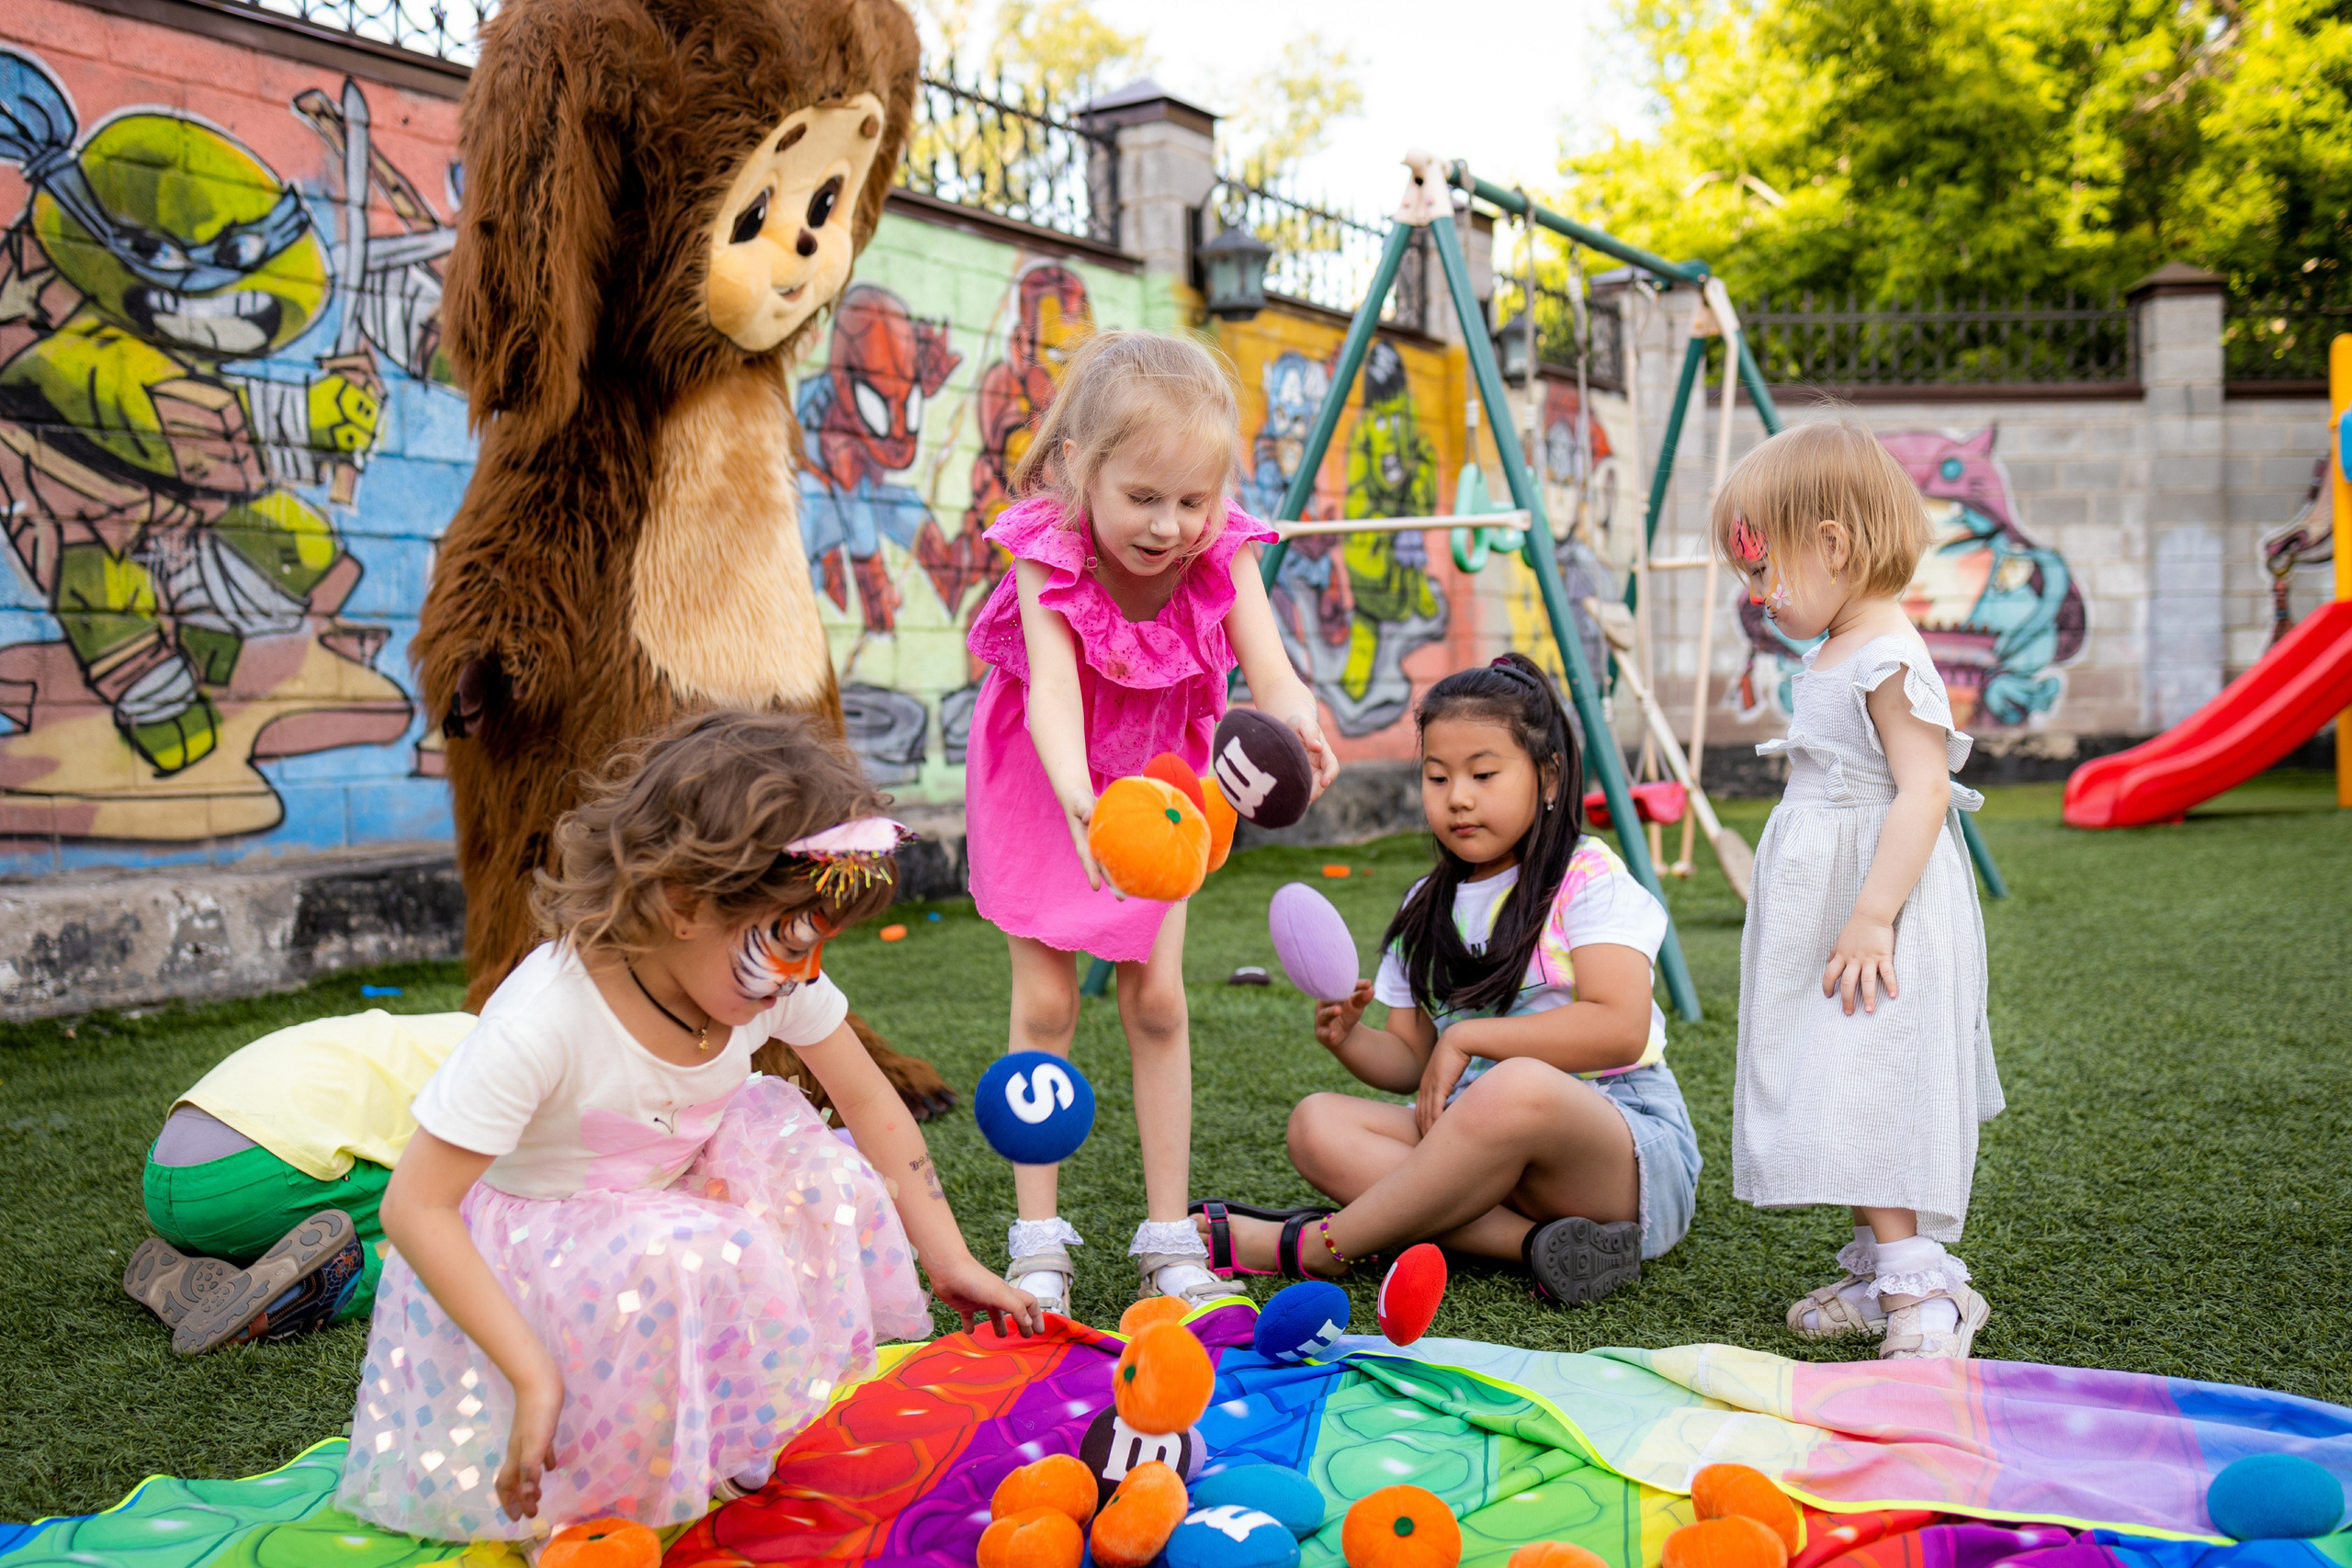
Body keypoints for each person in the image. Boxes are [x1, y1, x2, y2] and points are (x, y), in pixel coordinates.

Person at [338, 711, 1039, 1540]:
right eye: (786, 941)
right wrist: (529, 1374)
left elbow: (871, 1105)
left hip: (667, 1204)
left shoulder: (765, 980)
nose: (803, 973)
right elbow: (414, 1207)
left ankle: (728, 1427)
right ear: (680, 905)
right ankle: (589, 1495)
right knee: (688, 1249)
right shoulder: (545, 1019)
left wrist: (949, 1259)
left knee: (826, 1176)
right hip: (540, 1265)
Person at [962, 330, 1337, 1315]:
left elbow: (1270, 665)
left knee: (1158, 999)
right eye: (1144, 499)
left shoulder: (1219, 548)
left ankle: (1168, 1238)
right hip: (1051, 781)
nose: (1170, 526)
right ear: (1083, 470)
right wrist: (1080, 801)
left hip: (1165, 779)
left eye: (1192, 501)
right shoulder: (1049, 545)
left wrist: (1300, 720)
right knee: (1044, 1006)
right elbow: (1049, 692)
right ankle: (1036, 1237)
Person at [1192, 652, 1699, 1305]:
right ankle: (1535, 1247)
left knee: (1515, 1084)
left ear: (1548, 778)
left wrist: (1472, 1039)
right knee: (1316, 1124)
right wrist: (1349, 1037)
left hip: (1617, 1148)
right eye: (1437, 776)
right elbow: (1412, 1061)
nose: (1458, 796)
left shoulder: (1586, 874)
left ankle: (1320, 1246)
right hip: (1478, 1150)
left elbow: (1621, 1028)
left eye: (1483, 774)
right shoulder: (1424, 906)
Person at [1718, 419, 2001, 1361]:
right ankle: (1885, 1272)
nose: (1757, 596)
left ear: (1832, 544)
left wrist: (1872, 914)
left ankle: (1925, 1292)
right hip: (1837, 899)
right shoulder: (1841, 645)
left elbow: (1922, 790)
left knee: (1867, 1075)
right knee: (1839, 1077)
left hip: (1880, 904)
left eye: (1764, 571)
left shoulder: (1886, 655)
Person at [126, 1010, 475, 1355]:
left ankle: (231, 1265)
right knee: (471, 1213)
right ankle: (319, 1284)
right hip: (255, 1180)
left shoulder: (442, 1029)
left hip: (162, 1179)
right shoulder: (505, 1057)